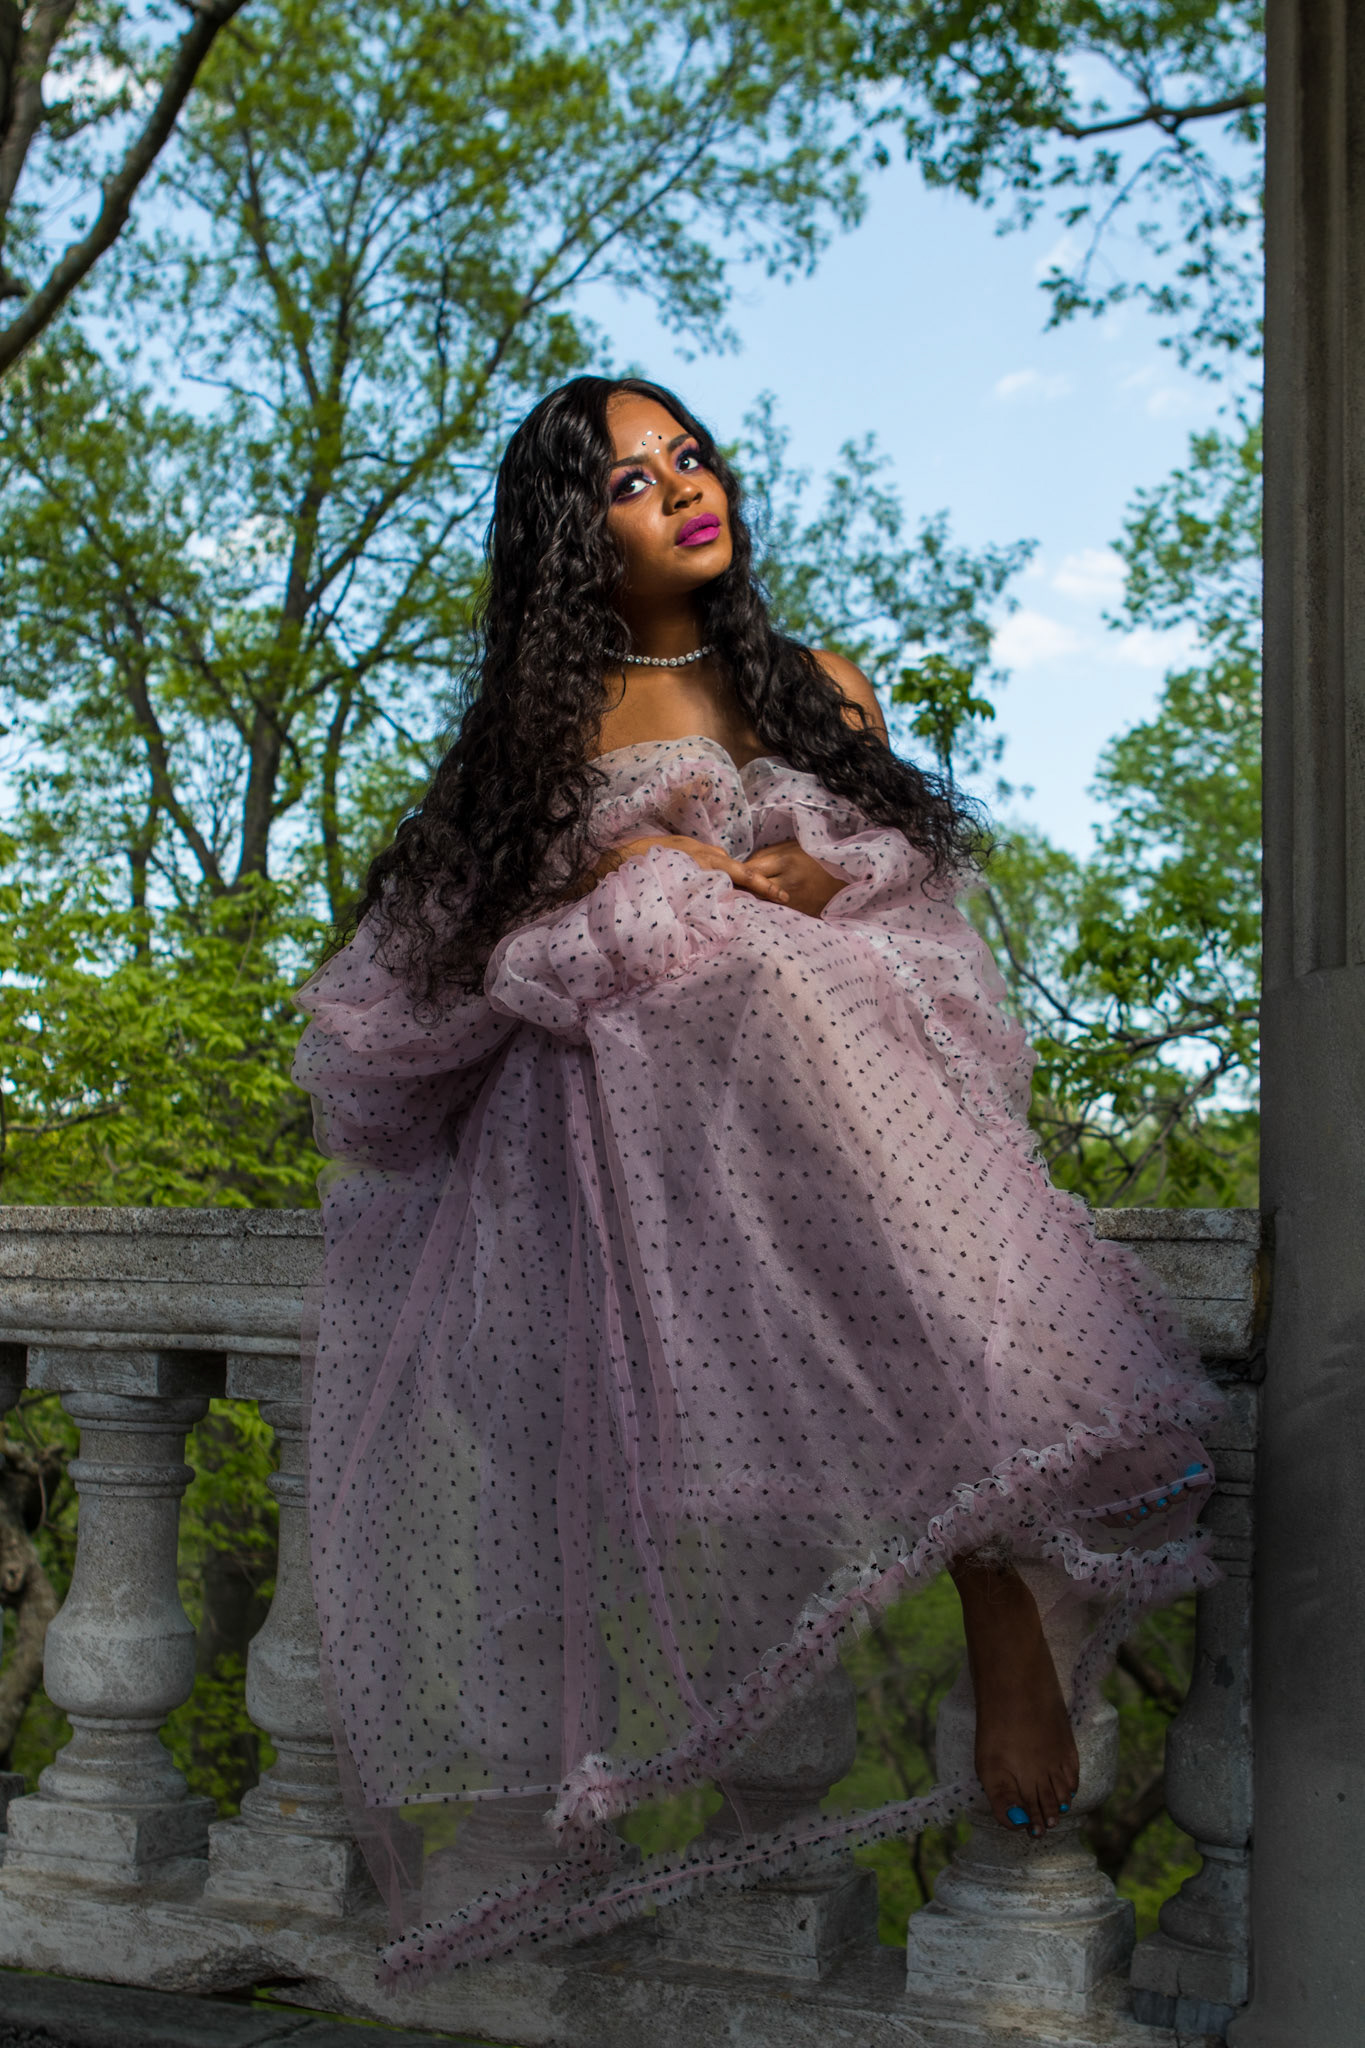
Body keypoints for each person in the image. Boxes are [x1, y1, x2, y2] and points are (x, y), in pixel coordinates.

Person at [291, 375, 1222, 1985]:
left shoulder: (813, 688)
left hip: (814, 1122)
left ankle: (1000, 1589)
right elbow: (417, 997)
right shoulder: (532, 739)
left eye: (689, 457)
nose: (680, 489)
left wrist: (814, 875)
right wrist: (622, 883)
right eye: (630, 481)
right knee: (685, 936)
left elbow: (924, 945)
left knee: (790, 979)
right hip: (607, 1141)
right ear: (572, 538)